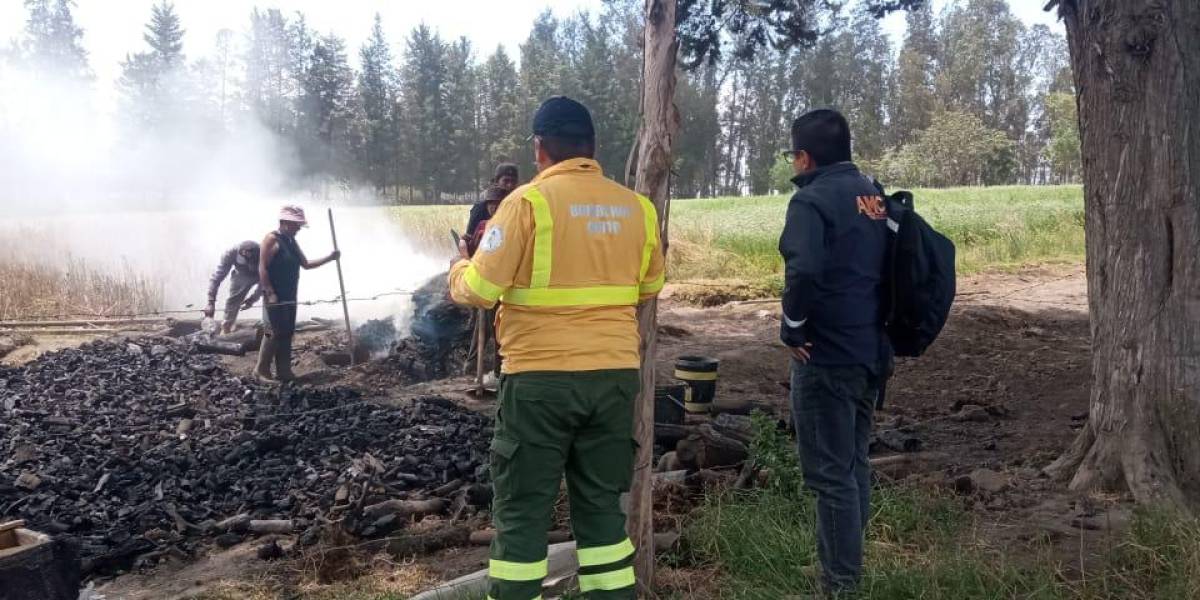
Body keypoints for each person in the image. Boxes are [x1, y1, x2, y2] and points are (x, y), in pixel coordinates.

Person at [448, 96, 665, 600]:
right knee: (601, 513)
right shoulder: (638, 208)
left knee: (523, 512)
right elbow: (650, 285)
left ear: (539, 148)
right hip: (613, 378)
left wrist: (459, 267)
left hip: (539, 381)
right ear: (592, 149)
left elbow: (479, 289)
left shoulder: (526, 203)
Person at [777, 109, 892, 595]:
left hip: (826, 356)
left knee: (830, 475)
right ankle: (842, 561)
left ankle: (840, 582)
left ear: (803, 157)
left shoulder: (811, 201)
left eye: (793, 156)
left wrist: (794, 328)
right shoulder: (873, 195)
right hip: (871, 351)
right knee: (853, 464)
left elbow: (802, 271)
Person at [255, 205, 341, 382]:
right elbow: (262, 267)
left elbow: (306, 264)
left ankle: (284, 371)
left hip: (290, 294)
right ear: (285, 222)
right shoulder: (271, 239)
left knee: (287, 331)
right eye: (296, 225)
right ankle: (261, 370)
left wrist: (330, 258)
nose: (298, 229)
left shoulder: (291, 241)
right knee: (272, 331)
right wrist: (270, 292)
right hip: (275, 295)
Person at [204, 241, 262, 334]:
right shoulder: (230, 254)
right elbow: (217, 278)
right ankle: (226, 327)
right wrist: (210, 301)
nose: (247, 258)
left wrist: (253, 299)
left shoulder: (264, 253)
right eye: (244, 256)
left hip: (261, 273)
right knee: (233, 301)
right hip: (241, 275)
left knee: (270, 294)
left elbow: (265, 282)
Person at [464, 162, 519, 248]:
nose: (510, 185)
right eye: (506, 181)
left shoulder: (520, 207)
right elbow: (469, 239)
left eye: (513, 182)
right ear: (496, 182)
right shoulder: (480, 208)